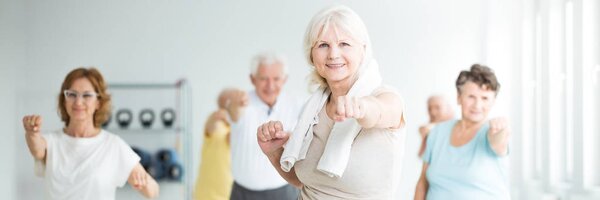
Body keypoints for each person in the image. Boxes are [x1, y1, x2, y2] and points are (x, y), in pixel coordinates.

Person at [256, 5, 406, 199]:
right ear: (312, 55)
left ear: (363, 50)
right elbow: (304, 181)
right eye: (323, 45)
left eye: (344, 44)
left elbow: (379, 112)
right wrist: (273, 153)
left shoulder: (387, 98)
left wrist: (361, 107)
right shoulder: (313, 109)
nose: (333, 54)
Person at [23, 67, 159, 200]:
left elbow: (153, 191)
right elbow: (37, 149)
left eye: (87, 95)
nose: (78, 102)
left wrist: (144, 183)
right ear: (64, 100)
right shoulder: (51, 141)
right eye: (72, 94)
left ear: (98, 102)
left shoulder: (112, 145)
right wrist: (31, 133)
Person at [414, 64, 511, 200]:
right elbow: (422, 184)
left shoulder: (492, 132)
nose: (477, 105)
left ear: (493, 102)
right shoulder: (437, 132)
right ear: (459, 97)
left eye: (485, 98)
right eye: (471, 96)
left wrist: (502, 130)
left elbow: (499, 142)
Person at [218, 53, 302, 200]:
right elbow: (224, 100)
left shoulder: (297, 104)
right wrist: (232, 98)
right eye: (263, 79)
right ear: (252, 79)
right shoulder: (241, 102)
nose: (270, 86)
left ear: (285, 80)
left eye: (276, 79)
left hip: (285, 192)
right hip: (243, 193)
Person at [193, 106, 233, 199]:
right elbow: (211, 125)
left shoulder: (234, 131)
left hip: (227, 193)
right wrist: (218, 116)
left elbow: (232, 138)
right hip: (205, 193)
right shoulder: (217, 126)